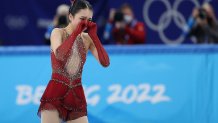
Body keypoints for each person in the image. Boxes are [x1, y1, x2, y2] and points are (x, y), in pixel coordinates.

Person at [37, 0, 110, 123]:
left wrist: (95, 37)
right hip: (55, 93)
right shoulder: (57, 32)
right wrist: (76, 32)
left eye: (89, 19)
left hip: (76, 94)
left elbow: (105, 63)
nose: (86, 23)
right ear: (71, 17)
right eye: (82, 18)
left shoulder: (87, 39)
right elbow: (60, 55)